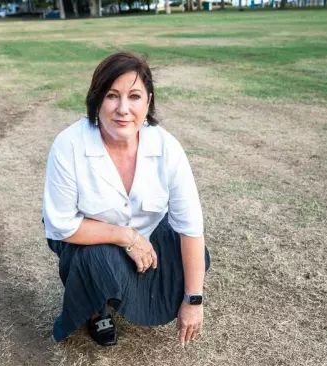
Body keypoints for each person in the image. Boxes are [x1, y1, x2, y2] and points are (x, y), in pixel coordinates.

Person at [42, 52, 210, 347]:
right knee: (97, 259)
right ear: (96, 100)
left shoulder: (167, 147)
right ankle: (97, 309)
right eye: (111, 96)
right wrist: (127, 237)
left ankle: (126, 288)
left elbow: (190, 227)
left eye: (134, 96)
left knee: (190, 255)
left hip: (148, 232)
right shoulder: (69, 144)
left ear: (148, 101)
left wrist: (193, 300)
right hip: (82, 239)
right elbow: (61, 225)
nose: (123, 109)